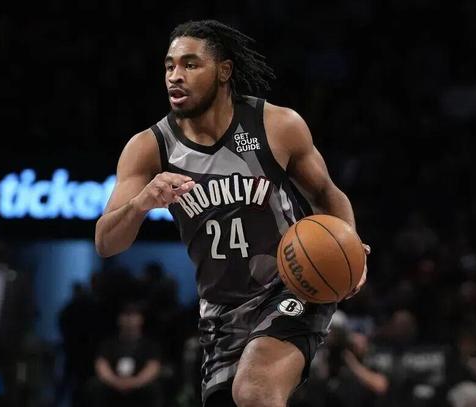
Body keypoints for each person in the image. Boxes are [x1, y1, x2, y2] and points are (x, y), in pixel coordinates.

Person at [94, 19, 369, 407]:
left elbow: (326, 194)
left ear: (224, 71)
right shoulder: (149, 147)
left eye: (190, 64)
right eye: (170, 66)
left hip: (292, 284)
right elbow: (106, 242)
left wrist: (351, 247)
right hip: (222, 313)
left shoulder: (276, 125)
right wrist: (141, 204)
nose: (175, 75)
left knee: (254, 391)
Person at [86, 302, 162, 407]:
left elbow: (153, 367)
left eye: (133, 315)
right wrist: (115, 382)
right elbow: (101, 364)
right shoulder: (108, 344)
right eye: (126, 315)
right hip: (113, 383)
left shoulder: (150, 345)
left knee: (154, 388)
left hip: (139, 384)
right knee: (95, 386)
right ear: (119, 319)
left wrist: (135, 382)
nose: (129, 319)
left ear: (141, 319)